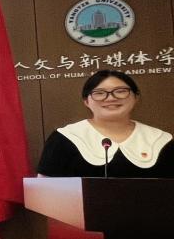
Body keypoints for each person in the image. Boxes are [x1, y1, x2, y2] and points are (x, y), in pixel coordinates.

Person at [37, 69, 174, 178]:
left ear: (136, 97)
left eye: (120, 91)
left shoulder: (160, 140)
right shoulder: (65, 138)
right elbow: (46, 189)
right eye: (99, 93)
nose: (111, 98)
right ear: (86, 101)